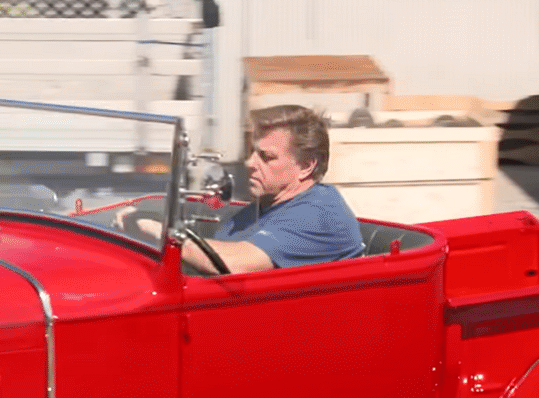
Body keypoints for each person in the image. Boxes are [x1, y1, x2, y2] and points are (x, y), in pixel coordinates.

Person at [121, 104, 362, 273]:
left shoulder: (319, 213)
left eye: (267, 157)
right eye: (251, 153)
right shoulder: (263, 207)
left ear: (306, 166)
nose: (250, 163)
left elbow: (233, 263)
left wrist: (159, 232)